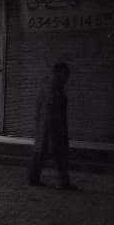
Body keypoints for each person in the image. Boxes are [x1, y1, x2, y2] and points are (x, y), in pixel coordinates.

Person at [29, 62, 76, 190]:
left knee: (43, 154)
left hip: (47, 128)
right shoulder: (54, 89)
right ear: (58, 73)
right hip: (51, 128)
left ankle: (35, 178)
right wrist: (59, 130)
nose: (67, 78)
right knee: (56, 155)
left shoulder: (51, 87)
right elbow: (52, 112)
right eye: (65, 74)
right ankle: (62, 182)